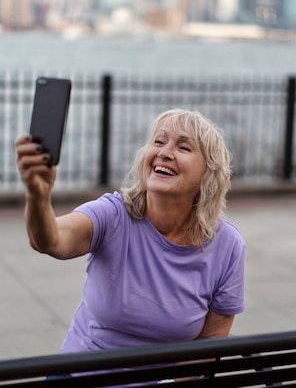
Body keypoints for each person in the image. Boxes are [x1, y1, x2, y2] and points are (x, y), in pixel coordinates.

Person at [14, 108, 245, 361]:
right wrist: (38, 196)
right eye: (158, 141)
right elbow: (50, 240)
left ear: (208, 173)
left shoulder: (227, 246)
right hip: (83, 377)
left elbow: (207, 348)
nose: (164, 153)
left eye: (184, 147)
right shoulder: (113, 215)